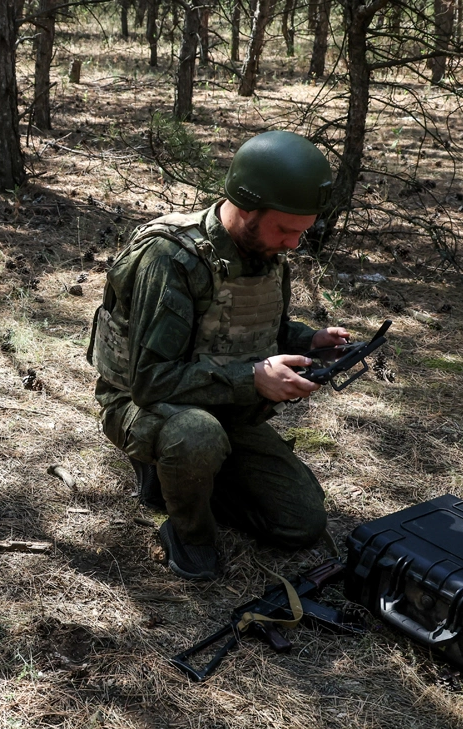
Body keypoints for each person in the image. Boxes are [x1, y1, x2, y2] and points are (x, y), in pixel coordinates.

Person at [88, 130, 350, 580]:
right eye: (285, 230)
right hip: (142, 404)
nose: (293, 245)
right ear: (246, 207)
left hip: (219, 406)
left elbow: (259, 330)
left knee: (300, 523)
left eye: (302, 232)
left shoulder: (264, 251)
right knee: (195, 436)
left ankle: (183, 477)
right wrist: (252, 380)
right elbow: (151, 380)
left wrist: (309, 341)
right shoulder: (170, 258)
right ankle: (187, 533)